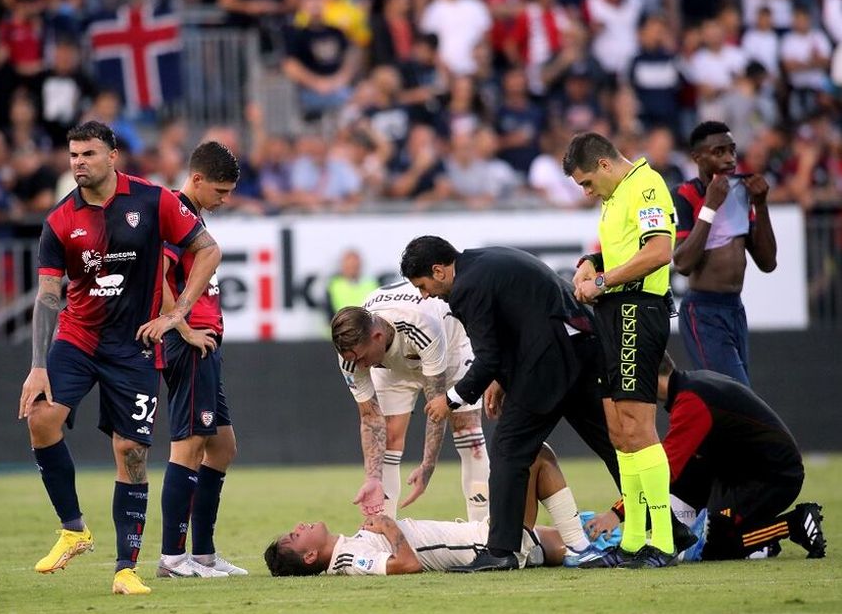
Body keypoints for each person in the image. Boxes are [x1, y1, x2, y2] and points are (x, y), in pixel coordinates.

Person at [17, 122, 220, 595]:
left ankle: (125, 569)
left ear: (113, 155)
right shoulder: (59, 220)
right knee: (41, 418)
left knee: (131, 453)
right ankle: (73, 529)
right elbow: (48, 297)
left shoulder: (152, 201)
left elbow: (207, 251)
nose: (78, 163)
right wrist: (37, 365)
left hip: (133, 347)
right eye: (72, 155)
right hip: (79, 336)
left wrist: (178, 316)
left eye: (88, 153)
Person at [398, 236, 621, 572]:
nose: (424, 294)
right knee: (615, 443)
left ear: (439, 271)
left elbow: (489, 356)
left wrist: (451, 400)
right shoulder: (483, 262)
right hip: (580, 348)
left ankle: (501, 550)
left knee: (509, 450)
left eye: (423, 285)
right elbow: (516, 325)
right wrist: (501, 381)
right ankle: (669, 522)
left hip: (549, 362)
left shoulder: (466, 288)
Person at [584, 354, 826, 562]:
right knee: (685, 479)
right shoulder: (694, 386)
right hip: (741, 469)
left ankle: (796, 523)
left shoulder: (692, 402)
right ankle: (758, 538)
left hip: (773, 477)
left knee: (718, 546)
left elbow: (664, 470)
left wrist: (617, 514)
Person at [565, 132, 678, 568]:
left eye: (587, 183)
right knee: (617, 428)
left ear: (606, 165)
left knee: (637, 424)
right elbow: (622, 250)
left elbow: (659, 250)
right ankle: (632, 541)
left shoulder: (646, 185)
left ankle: (664, 542)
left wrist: (604, 281)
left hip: (636, 310)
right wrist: (592, 263)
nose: (588, 192)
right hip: (613, 313)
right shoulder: (615, 199)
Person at [265, 444, 601, 575]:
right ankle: (582, 545)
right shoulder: (349, 561)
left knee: (588, 534)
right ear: (309, 557)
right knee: (530, 453)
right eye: (296, 535)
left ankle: (587, 542)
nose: (300, 525)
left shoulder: (347, 549)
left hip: (482, 534)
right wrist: (389, 527)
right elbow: (406, 565)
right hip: (487, 546)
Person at [156, 141, 247, 579]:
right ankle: (173, 559)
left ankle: (205, 554)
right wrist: (182, 326)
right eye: (220, 191)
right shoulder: (176, 213)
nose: (224, 200)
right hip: (190, 343)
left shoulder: (193, 216)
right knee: (189, 446)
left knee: (222, 447)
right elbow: (157, 275)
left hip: (206, 342)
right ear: (196, 179)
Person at [330, 279, 491, 523]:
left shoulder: (422, 325)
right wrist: (372, 478)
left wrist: (427, 467)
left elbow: (438, 406)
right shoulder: (352, 356)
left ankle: (483, 530)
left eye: (362, 358)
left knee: (467, 432)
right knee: (390, 436)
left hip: (450, 350)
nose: (360, 367)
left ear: (377, 336)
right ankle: (383, 533)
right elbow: (370, 418)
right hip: (390, 366)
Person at [672, 121, 777, 386]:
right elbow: (683, 263)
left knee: (730, 400)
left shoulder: (741, 194)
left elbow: (767, 262)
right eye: (719, 152)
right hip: (703, 310)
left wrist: (761, 206)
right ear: (697, 157)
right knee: (736, 395)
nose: (730, 159)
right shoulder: (685, 194)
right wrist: (709, 207)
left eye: (732, 150)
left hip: (735, 309)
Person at [325, 249, 378, 320]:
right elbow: (331, 311)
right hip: (342, 326)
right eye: (349, 266)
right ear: (343, 266)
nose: (352, 269)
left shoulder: (371, 283)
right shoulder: (334, 285)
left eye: (355, 266)